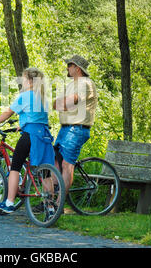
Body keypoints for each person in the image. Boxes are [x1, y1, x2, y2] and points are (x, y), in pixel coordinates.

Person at [0, 67, 55, 214]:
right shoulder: (42, 98)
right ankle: (50, 207)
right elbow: (37, 119)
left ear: (29, 81)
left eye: (23, 78)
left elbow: (8, 113)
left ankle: (9, 202)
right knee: (46, 172)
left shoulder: (26, 95)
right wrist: (21, 126)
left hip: (30, 136)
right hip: (44, 136)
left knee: (15, 166)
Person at [53, 55, 97, 195]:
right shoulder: (72, 84)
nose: (67, 68)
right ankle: (49, 201)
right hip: (65, 128)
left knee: (66, 164)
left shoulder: (86, 83)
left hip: (77, 129)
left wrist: (63, 104)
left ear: (77, 68)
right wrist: (63, 104)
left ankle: (60, 204)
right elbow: (56, 104)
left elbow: (69, 102)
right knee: (55, 163)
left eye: (69, 65)